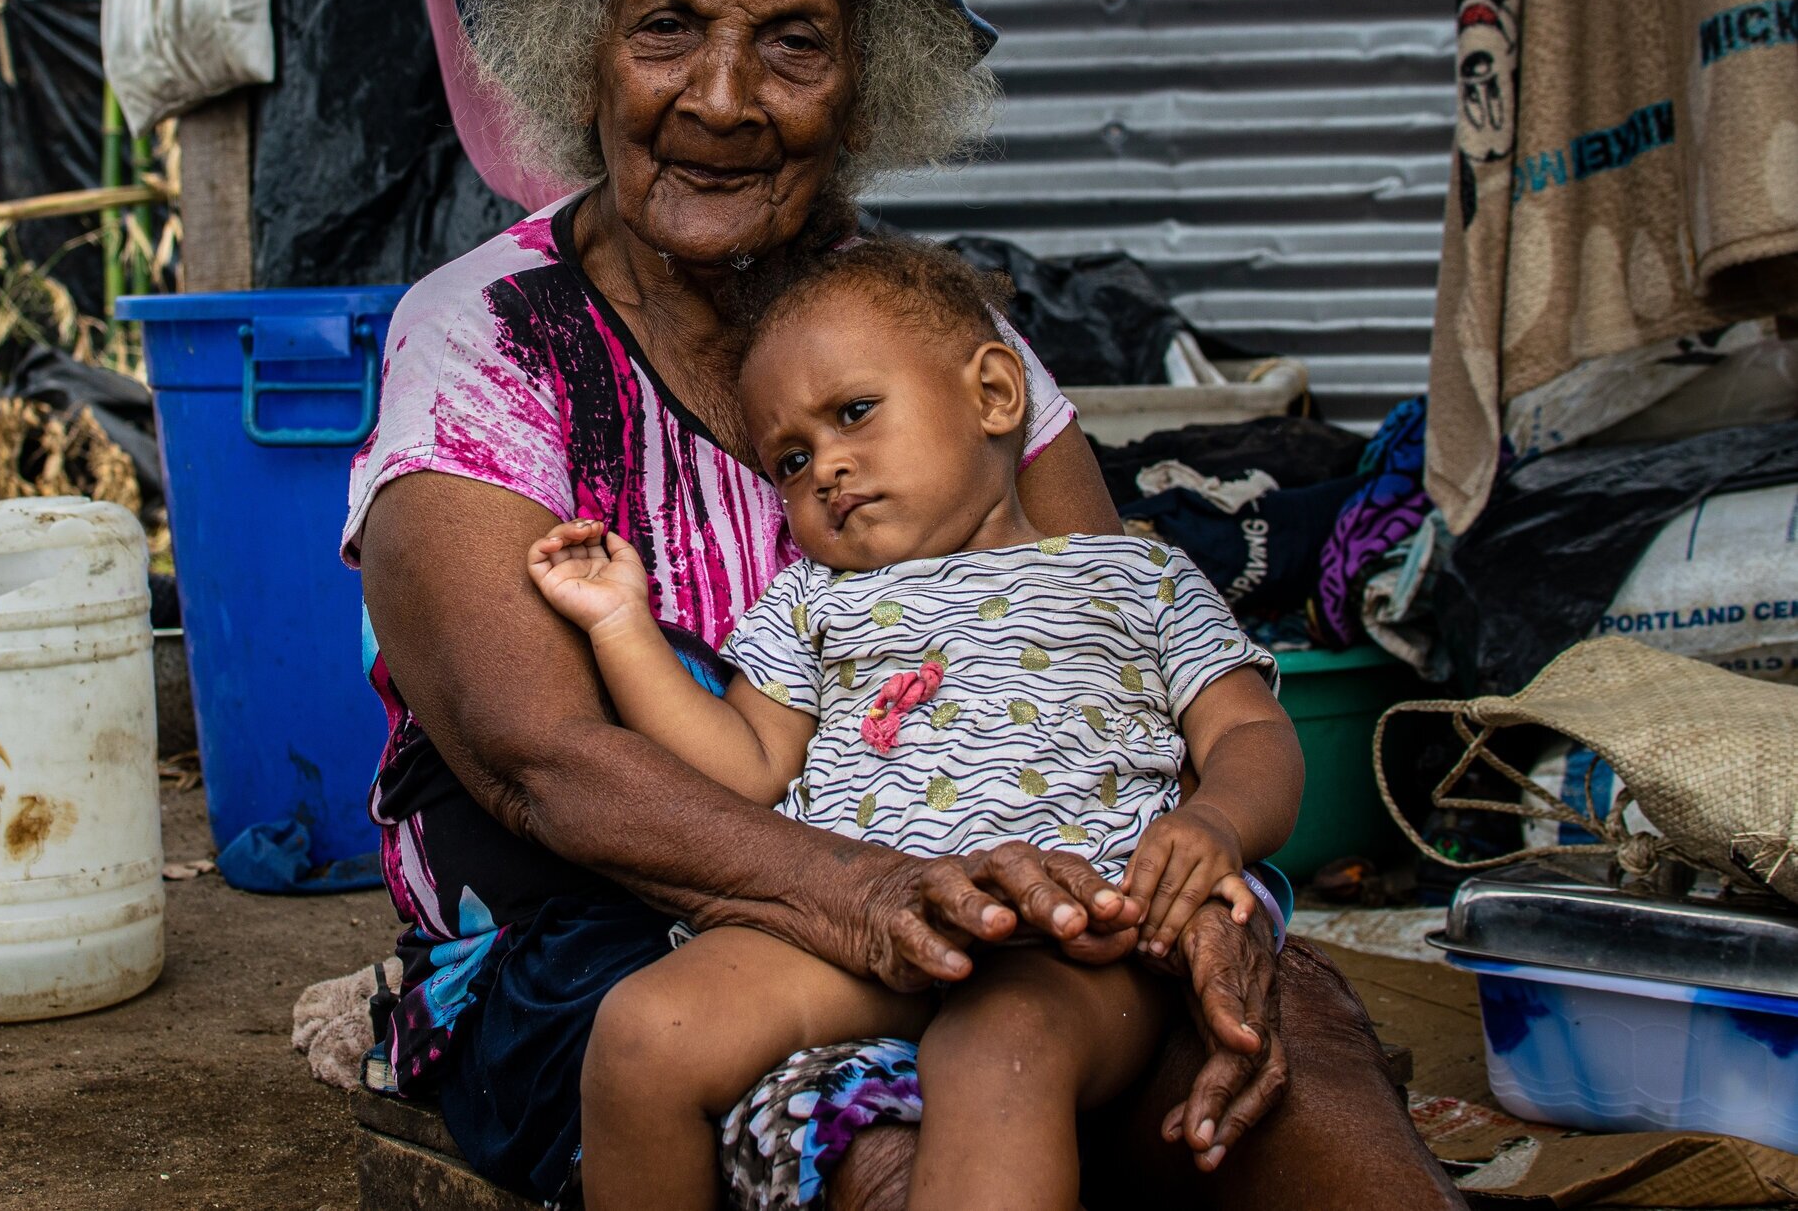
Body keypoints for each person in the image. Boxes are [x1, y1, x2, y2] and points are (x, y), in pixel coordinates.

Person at [349, 0, 1462, 1210]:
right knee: (870, 1138)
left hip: (1006, 907)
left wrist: (1214, 893)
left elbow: (1112, 653)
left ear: (866, 80)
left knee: (1284, 1034)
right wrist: (870, 895)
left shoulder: (955, 343)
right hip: (624, 928)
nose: (726, 95)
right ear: (586, 51)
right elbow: (538, 759)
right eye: (667, 27)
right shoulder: (486, 335)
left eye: (794, 43)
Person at [526, 236, 1304, 1211]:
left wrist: (1217, 824)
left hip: (1075, 944)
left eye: (854, 412)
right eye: (791, 458)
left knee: (999, 1057)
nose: (827, 468)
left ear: (992, 394)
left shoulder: (1133, 576)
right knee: (645, 1031)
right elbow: (744, 763)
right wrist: (619, 623)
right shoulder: (812, 601)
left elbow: (1250, 734)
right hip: (864, 931)